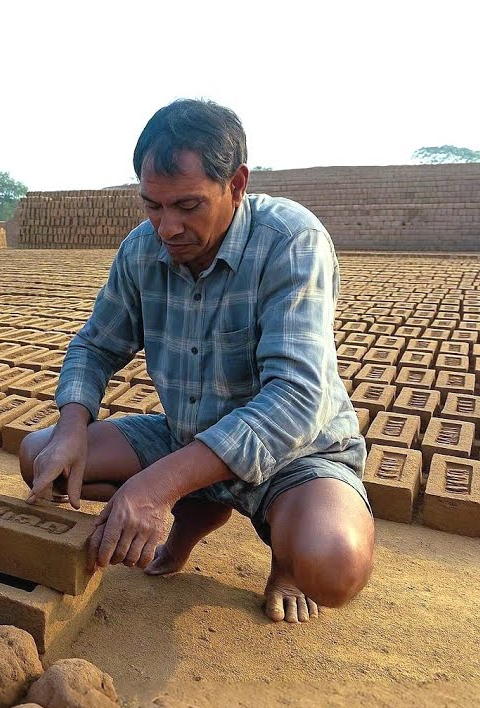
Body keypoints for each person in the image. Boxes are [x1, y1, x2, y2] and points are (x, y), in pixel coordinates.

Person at [20, 99, 374, 624]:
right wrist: (73, 424)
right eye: (153, 207)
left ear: (236, 184)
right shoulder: (142, 251)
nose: (167, 228)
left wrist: (155, 486)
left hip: (296, 455)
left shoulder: (290, 241)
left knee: (332, 565)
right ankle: (199, 505)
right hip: (186, 435)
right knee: (41, 457)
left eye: (187, 206)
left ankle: (284, 558)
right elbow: (94, 345)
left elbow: (297, 398)